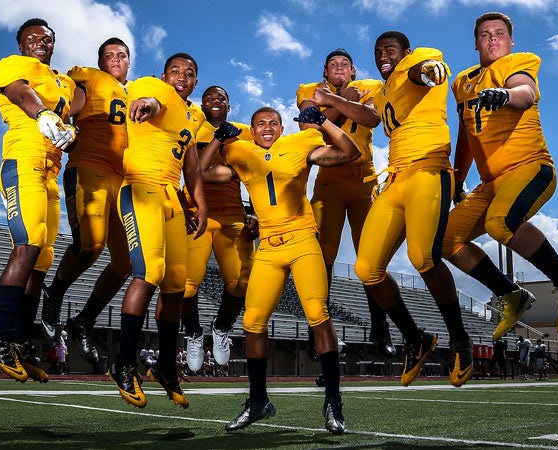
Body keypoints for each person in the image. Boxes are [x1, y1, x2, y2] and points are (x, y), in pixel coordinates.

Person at [201, 105, 361, 434]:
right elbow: (201, 173)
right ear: (252, 129)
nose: (268, 127)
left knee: (318, 313)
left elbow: (350, 152)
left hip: (302, 240)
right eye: (260, 124)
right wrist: (218, 140)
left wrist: (324, 121)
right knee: (252, 322)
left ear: (282, 127)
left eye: (274, 122)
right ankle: (258, 400)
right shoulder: (241, 152)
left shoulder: (299, 145)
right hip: (269, 247)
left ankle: (333, 401)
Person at [443, 11, 558, 341]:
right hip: (490, 183)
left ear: (511, 41)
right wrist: (457, 178)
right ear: (475, 43)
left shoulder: (517, 64)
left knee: (501, 223)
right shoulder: (463, 82)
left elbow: (526, 91)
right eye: (485, 34)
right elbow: (467, 134)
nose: (492, 38)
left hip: (529, 167)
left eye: (499, 33)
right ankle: (511, 293)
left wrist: (506, 96)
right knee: (445, 240)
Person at [353, 31, 473, 388]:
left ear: (404, 51)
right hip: (394, 178)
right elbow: (364, 105)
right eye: (377, 51)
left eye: (389, 49)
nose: (383, 55)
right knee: (366, 268)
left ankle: (460, 340)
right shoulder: (381, 87)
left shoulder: (417, 57)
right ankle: (415, 337)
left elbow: (427, 67)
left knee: (423, 256)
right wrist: (330, 98)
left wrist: (429, 69)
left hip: (428, 168)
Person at [107, 52, 207, 409]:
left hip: (170, 196)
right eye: (176, 71)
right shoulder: (153, 87)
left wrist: (200, 204)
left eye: (190, 72)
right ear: (165, 75)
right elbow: (146, 99)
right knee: (150, 271)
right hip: (140, 186)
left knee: (177, 283)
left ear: (196, 81)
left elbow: (192, 165)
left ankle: (166, 366)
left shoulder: (192, 116)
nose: (182, 76)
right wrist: (147, 104)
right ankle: (122, 364)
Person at [0, 18, 77, 383]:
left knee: (41, 260)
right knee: (29, 244)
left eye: (46, 38)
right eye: (32, 37)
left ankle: (20, 341)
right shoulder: (13, 65)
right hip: (23, 160)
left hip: (51, 172)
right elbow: (23, 94)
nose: (40, 42)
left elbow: (81, 106)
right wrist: (46, 115)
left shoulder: (62, 80)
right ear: (21, 42)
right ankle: (0, 337)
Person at [296, 49, 395, 359]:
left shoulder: (370, 86)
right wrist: (344, 101)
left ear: (353, 70)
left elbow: (373, 119)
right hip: (329, 180)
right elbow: (309, 132)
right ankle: (318, 331)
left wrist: (335, 102)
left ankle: (381, 328)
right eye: (333, 64)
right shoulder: (309, 90)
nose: (339, 68)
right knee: (321, 257)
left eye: (344, 64)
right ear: (325, 71)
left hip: (364, 180)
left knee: (370, 255)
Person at [40, 38, 132, 367]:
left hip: (122, 179)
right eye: (110, 55)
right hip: (89, 166)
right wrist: (60, 117)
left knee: (126, 263)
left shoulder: (135, 93)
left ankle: (84, 320)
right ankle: (53, 294)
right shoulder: (90, 77)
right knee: (91, 245)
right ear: (100, 60)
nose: (116, 59)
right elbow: (73, 104)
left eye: (122, 55)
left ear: (129, 61)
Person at [179, 86, 257, 373]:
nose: (215, 101)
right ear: (202, 103)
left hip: (232, 214)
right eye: (210, 97)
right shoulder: (190, 125)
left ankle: (221, 327)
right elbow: (187, 171)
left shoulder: (244, 132)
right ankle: (193, 333)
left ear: (229, 104)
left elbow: (258, 172)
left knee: (240, 283)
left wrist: (258, 213)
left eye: (221, 98)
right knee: (186, 286)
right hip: (198, 213)